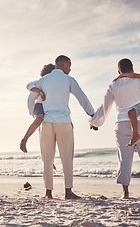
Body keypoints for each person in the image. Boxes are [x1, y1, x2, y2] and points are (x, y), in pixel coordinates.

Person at [89, 58, 140, 199]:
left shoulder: (113, 85)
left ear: (119, 71)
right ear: (132, 69)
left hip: (122, 124)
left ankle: (125, 193)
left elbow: (104, 108)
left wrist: (94, 122)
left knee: (124, 159)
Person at [34, 55, 95, 199]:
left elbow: (32, 98)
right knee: (67, 158)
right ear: (62, 65)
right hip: (63, 122)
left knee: (47, 159)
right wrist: (92, 114)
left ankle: (48, 193)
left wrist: (35, 114)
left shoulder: (42, 81)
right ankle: (68, 192)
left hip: (47, 122)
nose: (70, 68)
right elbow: (82, 98)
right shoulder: (69, 80)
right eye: (69, 65)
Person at [20, 64, 55, 154]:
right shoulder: (39, 82)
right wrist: (40, 91)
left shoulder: (55, 84)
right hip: (38, 105)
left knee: (51, 132)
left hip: (48, 107)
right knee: (39, 119)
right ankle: (24, 140)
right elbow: (28, 85)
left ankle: (49, 157)